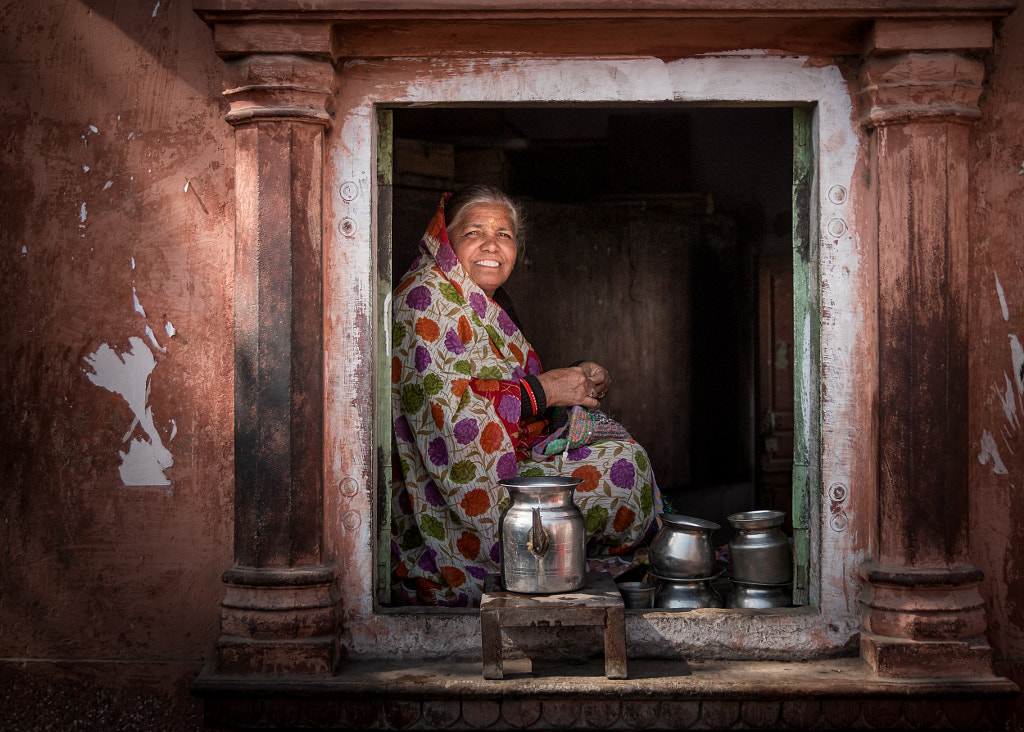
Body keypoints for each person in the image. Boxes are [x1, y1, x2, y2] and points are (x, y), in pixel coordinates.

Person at [390, 185, 662, 606]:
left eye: (504, 235)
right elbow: (452, 416)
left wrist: (575, 380)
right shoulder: (427, 298)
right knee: (623, 473)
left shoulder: (476, 301)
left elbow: (503, 383)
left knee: (624, 459)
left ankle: (563, 560)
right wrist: (547, 390)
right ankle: (535, 563)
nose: (490, 246)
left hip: (509, 457)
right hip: (461, 489)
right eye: (473, 232)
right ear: (446, 238)